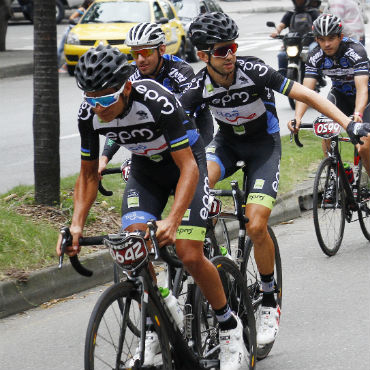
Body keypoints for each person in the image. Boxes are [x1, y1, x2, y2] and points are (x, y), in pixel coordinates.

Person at [55, 43, 250, 370]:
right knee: (133, 242)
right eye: (91, 98)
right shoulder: (89, 113)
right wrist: (76, 226)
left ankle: (230, 328)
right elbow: (88, 176)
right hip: (146, 171)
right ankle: (156, 321)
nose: (98, 107)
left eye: (106, 98)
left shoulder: (156, 101)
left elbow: (188, 167)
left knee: (188, 251)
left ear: (127, 87)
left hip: (187, 166)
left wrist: (173, 220)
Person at [181, 11, 370, 346]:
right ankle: (213, 268)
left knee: (255, 227)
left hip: (263, 148)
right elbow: (172, 128)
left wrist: (348, 123)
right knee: (197, 186)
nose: (230, 55)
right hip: (225, 145)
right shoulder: (198, 87)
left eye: (233, 47)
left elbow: (307, 95)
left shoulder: (252, 69)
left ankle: (269, 300)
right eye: (222, 50)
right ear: (202, 55)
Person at [98, 22, 214, 173]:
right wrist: (104, 158)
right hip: (154, 138)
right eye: (135, 54)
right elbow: (120, 121)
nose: (140, 59)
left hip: (191, 126)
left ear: (161, 49)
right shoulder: (131, 76)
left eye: (145, 52)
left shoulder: (180, 71)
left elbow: (186, 117)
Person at [289, 13, 370, 178]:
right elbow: (306, 92)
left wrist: (358, 113)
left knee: (364, 145)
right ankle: (338, 174)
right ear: (316, 39)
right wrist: (297, 117)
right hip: (339, 95)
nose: (326, 44)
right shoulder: (315, 56)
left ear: (340, 37)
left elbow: (362, 89)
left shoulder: (356, 51)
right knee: (326, 132)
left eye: (331, 38)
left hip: (365, 98)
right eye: (321, 39)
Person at [270, 0, 320, 76]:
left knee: (313, 53)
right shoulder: (290, 13)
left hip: (310, 42)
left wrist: (317, 33)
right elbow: (281, 25)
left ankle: (317, 76)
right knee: (282, 55)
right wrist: (276, 32)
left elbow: (319, 25)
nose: (299, 2)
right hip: (293, 43)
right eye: (297, 1)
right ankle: (281, 79)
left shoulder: (313, 13)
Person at [58, 0, 93, 72]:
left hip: (79, 33)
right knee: (60, 49)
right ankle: (56, 66)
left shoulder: (91, 12)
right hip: (70, 31)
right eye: (91, 4)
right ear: (88, 4)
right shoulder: (82, 10)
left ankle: (64, 66)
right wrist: (78, 22)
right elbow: (71, 18)